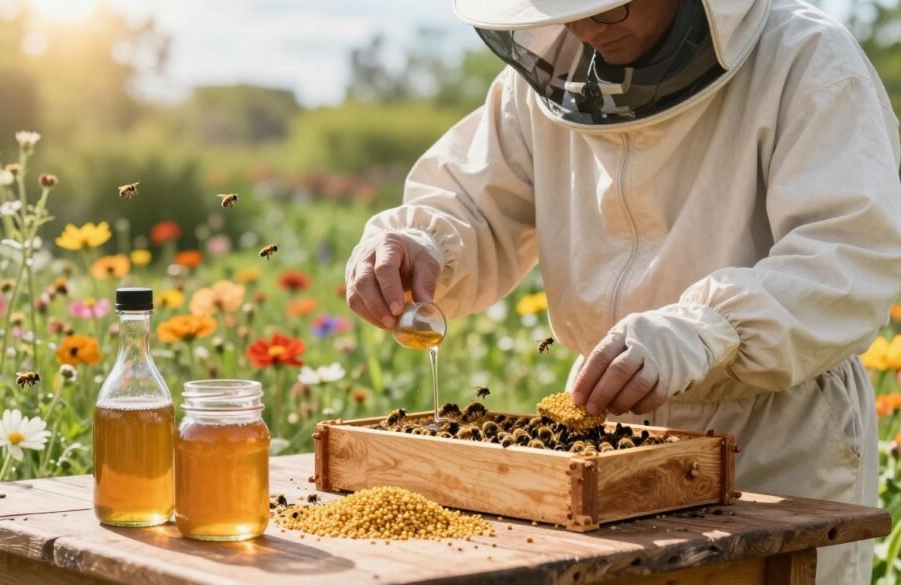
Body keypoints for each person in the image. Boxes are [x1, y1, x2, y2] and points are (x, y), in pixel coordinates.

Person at [343, 0, 901, 583]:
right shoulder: (549, 72)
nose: (584, 28)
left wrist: (703, 330)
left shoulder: (806, 58)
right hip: (601, 433)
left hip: (772, 439)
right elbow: (472, 203)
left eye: (609, 8)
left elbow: (846, 258)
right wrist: (417, 243)